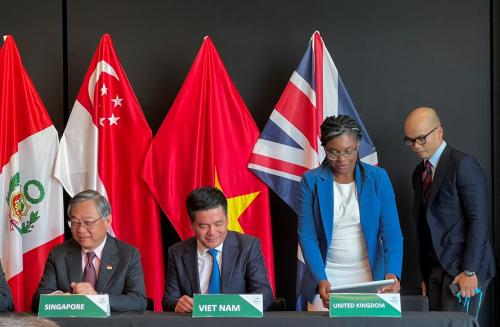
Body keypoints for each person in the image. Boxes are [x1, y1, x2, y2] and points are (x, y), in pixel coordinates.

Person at [298, 115, 403, 310]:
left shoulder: (378, 178)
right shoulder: (310, 181)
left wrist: (392, 273)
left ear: (358, 146)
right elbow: (307, 237)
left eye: (349, 151)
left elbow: (392, 233)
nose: (342, 159)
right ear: (324, 149)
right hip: (327, 278)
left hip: (371, 277)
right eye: (333, 152)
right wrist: (321, 279)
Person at [404, 107, 495, 316]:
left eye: (421, 139)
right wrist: (426, 276)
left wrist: (469, 271)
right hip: (436, 271)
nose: (416, 146)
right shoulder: (419, 173)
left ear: (439, 132)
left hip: (465, 270)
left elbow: (478, 220)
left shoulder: (464, 165)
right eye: (410, 141)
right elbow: (424, 226)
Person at [32, 190, 147, 312]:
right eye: (75, 222)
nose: (81, 229)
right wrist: (59, 299)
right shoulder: (59, 254)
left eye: (88, 222)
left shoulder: (128, 254)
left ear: (107, 221)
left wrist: (97, 299)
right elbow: (37, 301)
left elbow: (138, 300)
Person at [163, 186, 273, 312]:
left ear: (227, 219)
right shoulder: (177, 253)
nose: (212, 232)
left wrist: (228, 308)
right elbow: (169, 300)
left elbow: (264, 294)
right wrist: (178, 304)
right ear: (191, 224)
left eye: (218, 224)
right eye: (204, 226)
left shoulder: (248, 246)